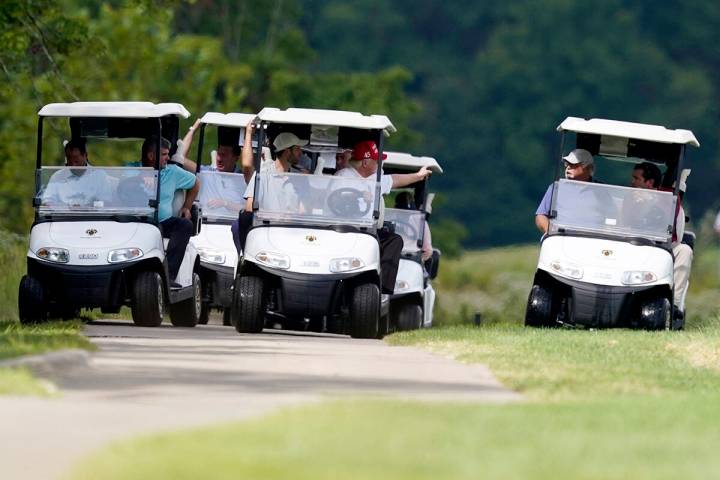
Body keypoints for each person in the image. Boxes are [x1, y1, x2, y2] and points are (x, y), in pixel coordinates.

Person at [335, 140, 432, 294]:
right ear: (365, 162)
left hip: (368, 229)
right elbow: (338, 201)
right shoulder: (343, 176)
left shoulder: (375, 178)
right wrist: (357, 197)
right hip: (346, 227)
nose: (380, 164)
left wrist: (418, 176)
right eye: (376, 160)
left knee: (394, 240)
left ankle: (381, 289)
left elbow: (396, 179)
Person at [630, 163, 693, 320]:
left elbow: (666, 222)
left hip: (662, 246)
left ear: (649, 183)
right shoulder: (629, 198)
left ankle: (675, 305)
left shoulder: (668, 198)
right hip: (633, 244)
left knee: (685, 251)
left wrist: (648, 203)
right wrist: (635, 206)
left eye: (636, 178)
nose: (632, 182)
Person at [231, 131, 308, 253]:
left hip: (293, 231)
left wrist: (292, 216)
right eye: (297, 149)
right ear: (287, 151)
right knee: (240, 222)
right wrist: (276, 217)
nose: (301, 153)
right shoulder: (263, 175)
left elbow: (303, 210)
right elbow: (249, 207)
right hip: (267, 230)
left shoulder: (299, 177)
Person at [141, 136, 201, 287]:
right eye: (163, 154)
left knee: (185, 225)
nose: (168, 157)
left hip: (163, 222)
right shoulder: (134, 169)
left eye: (168, 154)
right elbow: (122, 188)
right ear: (150, 156)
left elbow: (196, 183)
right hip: (139, 222)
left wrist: (186, 206)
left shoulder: (172, 171)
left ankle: (169, 276)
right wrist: (140, 177)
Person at [535, 148, 595, 234]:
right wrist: (551, 231)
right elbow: (541, 216)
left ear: (588, 168)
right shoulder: (556, 187)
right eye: (567, 164)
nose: (568, 167)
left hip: (591, 239)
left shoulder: (601, 192)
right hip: (561, 238)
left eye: (573, 164)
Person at [42, 139, 112, 207]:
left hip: (93, 217)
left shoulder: (99, 176)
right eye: (70, 161)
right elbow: (47, 202)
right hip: (63, 217)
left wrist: (87, 207)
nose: (73, 165)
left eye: (76, 161)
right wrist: (66, 207)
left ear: (85, 156)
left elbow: (107, 202)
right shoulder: (57, 176)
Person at [394, 191, 433, 262]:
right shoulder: (391, 220)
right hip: (393, 257)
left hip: (412, 258)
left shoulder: (421, 222)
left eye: (408, 213)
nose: (406, 216)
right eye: (403, 213)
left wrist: (419, 260)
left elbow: (428, 250)